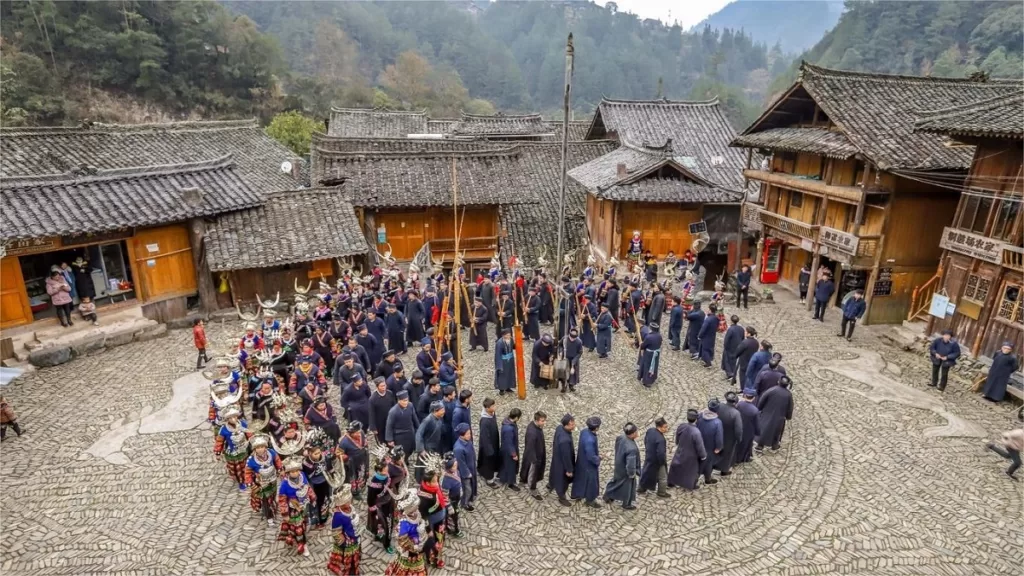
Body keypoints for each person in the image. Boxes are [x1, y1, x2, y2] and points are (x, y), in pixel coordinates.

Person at [387, 489, 433, 576]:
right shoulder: (404, 523)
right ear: (409, 509)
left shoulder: (417, 513)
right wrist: (416, 549)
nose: (417, 509)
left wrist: (427, 529)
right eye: (415, 508)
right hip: (411, 552)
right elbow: (403, 542)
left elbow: (422, 520)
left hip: (419, 545)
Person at [277, 457, 315, 557]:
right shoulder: (284, 485)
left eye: (297, 471)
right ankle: (303, 544)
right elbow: (282, 500)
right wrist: (285, 514)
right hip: (294, 510)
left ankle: (298, 538)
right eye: (292, 471)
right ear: (288, 473)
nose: (295, 473)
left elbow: (308, 488)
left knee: (304, 525)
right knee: (299, 529)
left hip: (305, 506)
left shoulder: (302, 476)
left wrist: (313, 498)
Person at [245, 435, 282, 525]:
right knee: (266, 500)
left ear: (265, 447)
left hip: (272, 480)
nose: (260, 449)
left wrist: (280, 469)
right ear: (254, 449)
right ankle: (269, 516)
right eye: (258, 447)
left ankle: (273, 509)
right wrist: (249, 482)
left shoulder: (271, 452)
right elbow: (247, 472)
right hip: (261, 484)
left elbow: (277, 461)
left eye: (262, 447)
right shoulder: (251, 460)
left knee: (272, 496)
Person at [602, 422, 640, 510]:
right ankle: (626, 504)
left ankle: (608, 495)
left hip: (619, 465)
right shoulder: (632, 448)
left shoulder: (621, 437)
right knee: (628, 487)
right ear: (633, 433)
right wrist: (632, 473)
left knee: (616, 482)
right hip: (626, 470)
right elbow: (630, 464)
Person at [667, 409, 707, 490]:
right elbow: (699, 446)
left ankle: (671, 481)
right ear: (696, 419)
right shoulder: (696, 432)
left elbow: (677, 439)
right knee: (691, 471)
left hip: (681, 450)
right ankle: (690, 484)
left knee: (676, 466)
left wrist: (678, 443)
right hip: (691, 455)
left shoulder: (682, 426)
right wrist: (703, 456)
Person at [327, 484, 361, 576]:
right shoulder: (338, 516)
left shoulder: (350, 508)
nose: (350, 501)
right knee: (347, 558)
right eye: (348, 500)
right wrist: (344, 544)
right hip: (347, 542)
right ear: (341, 503)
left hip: (354, 536)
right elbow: (336, 533)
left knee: (355, 554)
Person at [213, 407, 251, 490]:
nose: (233, 419)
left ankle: (248, 478)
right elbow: (219, 441)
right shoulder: (224, 429)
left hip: (243, 449)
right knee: (237, 469)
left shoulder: (243, 424)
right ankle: (241, 481)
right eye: (230, 418)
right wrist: (218, 452)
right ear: (227, 419)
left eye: (235, 416)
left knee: (245, 465)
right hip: (233, 452)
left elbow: (248, 433)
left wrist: (253, 440)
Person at [418, 470, 448, 569]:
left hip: (439, 518)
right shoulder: (424, 498)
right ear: (427, 483)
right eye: (434, 481)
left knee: (439, 538)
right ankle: (433, 560)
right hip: (431, 521)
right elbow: (423, 515)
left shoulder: (433, 487)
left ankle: (438, 556)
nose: (437, 483)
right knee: (431, 542)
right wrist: (428, 530)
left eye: (437, 480)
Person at [304, 440, 336, 530]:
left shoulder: (325, 457)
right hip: (315, 485)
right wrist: (315, 467)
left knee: (326, 498)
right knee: (317, 503)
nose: (318, 455)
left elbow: (330, 468)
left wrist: (333, 477)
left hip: (325, 482)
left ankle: (324, 516)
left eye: (319, 452)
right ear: (310, 453)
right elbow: (307, 475)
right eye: (315, 454)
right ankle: (318, 520)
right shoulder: (306, 463)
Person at [757, 376, 794, 451]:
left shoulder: (771, 390)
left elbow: (762, 400)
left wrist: (760, 408)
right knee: (777, 432)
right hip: (780, 416)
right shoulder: (788, 395)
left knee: (764, 429)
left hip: (767, 413)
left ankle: (760, 445)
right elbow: (790, 407)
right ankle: (774, 445)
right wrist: (788, 416)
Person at [571, 416, 602, 507]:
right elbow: (591, 456)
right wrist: (599, 458)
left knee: (580, 478)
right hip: (588, 465)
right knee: (592, 482)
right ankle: (590, 499)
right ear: (596, 428)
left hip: (581, 460)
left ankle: (577, 494)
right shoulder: (590, 440)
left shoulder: (584, 431)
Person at [367, 458, 395, 554]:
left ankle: (381, 536)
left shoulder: (386, 476)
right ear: (379, 470)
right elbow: (370, 499)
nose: (387, 469)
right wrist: (373, 510)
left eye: (386, 467)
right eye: (384, 468)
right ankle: (387, 544)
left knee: (388, 523)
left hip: (388, 502)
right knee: (386, 524)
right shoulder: (374, 483)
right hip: (380, 507)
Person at [548, 414, 576, 506]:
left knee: (554, 472)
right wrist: (569, 470)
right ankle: (561, 496)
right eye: (573, 424)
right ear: (568, 424)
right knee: (563, 481)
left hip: (556, 457)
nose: (574, 425)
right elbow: (566, 456)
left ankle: (551, 484)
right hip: (562, 463)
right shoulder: (565, 440)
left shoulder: (559, 428)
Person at [638, 417, 670, 498]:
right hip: (657, 461)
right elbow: (661, 453)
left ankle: (641, 488)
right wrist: (662, 462)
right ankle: (662, 492)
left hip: (649, 457)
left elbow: (645, 440)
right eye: (665, 427)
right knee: (663, 477)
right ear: (659, 427)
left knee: (646, 473)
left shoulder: (650, 431)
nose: (667, 429)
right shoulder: (661, 439)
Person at [414, 401, 447, 480]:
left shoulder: (439, 418)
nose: (444, 412)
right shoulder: (427, 420)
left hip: (435, 446)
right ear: (435, 411)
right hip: (427, 448)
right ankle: (420, 481)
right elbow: (419, 434)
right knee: (423, 466)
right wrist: (421, 449)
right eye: (442, 410)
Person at [696, 399, 723, 485]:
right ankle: (708, 479)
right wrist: (719, 447)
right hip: (710, 445)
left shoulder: (700, 415)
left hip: (699, 442)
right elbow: (719, 437)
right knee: (708, 462)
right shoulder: (717, 422)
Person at [520, 411, 547, 500]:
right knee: (533, 473)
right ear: (536, 420)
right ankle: (532, 489)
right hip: (534, 457)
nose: (544, 423)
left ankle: (523, 479)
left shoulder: (536, 427)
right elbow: (530, 447)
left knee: (527, 468)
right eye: (542, 421)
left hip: (536, 454)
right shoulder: (533, 432)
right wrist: (534, 460)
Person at [338, 422, 369, 500]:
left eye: (359, 431)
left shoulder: (361, 433)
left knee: (362, 473)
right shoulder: (344, 442)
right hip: (352, 463)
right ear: (350, 433)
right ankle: (354, 492)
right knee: (353, 477)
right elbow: (338, 453)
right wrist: (348, 459)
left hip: (362, 459)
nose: (359, 434)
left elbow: (365, 443)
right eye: (356, 433)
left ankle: (361, 486)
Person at [715, 392, 743, 476]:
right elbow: (738, 429)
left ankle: (713, 466)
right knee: (727, 454)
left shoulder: (719, 406)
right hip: (729, 437)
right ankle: (724, 470)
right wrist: (739, 439)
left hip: (717, 433)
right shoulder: (736, 413)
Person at [385, 390, 420, 458]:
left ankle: (406, 459)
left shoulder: (410, 405)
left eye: (407, 400)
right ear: (399, 401)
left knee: (411, 448)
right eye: (404, 401)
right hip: (400, 435)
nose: (406, 402)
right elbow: (389, 426)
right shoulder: (393, 411)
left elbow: (414, 418)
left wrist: (419, 429)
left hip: (410, 432)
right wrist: (389, 439)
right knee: (403, 451)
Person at [453, 423, 478, 511]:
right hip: (465, 473)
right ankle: (465, 503)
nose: (470, 435)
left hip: (471, 467)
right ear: (462, 435)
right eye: (468, 434)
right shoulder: (458, 448)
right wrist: (467, 473)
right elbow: (461, 463)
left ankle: (470, 498)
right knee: (467, 488)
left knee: (472, 485)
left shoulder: (468, 441)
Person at [477, 397, 501, 488]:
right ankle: (489, 479)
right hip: (488, 445)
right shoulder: (484, 421)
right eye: (493, 406)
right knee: (488, 462)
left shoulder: (492, 414)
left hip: (493, 441)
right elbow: (484, 437)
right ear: (487, 408)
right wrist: (489, 450)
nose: (495, 407)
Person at [498, 408, 522, 490]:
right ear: (516, 417)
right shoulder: (509, 429)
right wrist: (514, 454)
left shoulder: (507, 423)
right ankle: (510, 482)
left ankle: (503, 477)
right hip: (509, 450)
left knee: (505, 465)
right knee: (510, 466)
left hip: (505, 448)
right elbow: (509, 443)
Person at [441, 455, 464, 538]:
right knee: (452, 516)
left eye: (456, 464)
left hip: (457, 498)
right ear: (449, 467)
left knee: (455, 514)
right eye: (454, 465)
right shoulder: (446, 481)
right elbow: (444, 496)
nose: (456, 466)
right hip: (451, 501)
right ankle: (453, 529)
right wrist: (449, 507)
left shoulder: (456, 471)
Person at [734, 392, 761, 464]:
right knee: (746, 445)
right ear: (754, 398)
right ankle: (743, 458)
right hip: (749, 430)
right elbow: (756, 423)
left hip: (739, 426)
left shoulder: (739, 404)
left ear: (745, 396)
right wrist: (757, 432)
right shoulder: (755, 410)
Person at [369, 378, 396, 444]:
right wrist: (373, 427)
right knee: (382, 438)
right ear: (377, 387)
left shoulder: (390, 393)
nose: (384, 387)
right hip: (380, 422)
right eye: (381, 386)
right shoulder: (373, 399)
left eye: (384, 385)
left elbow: (394, 405)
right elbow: (371, 414)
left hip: (390, 418)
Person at [637, 322, 662, 388]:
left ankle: (647, 381)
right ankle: (652, 378)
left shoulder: (649, 337)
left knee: (647, 366)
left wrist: (641, 344)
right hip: (656, 354)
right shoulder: (659, 336)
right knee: (654, 366)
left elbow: (643, 346)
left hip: (649, 354)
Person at [720, 315, 744, 382]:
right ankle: (732, 372)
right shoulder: (741, 328)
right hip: (738, 347)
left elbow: (726, 340)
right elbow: (742, 338)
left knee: (727, 360)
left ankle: (730, 374)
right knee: (734, 361)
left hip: (730, 347)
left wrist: (725, 346)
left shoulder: (730, 329)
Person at [494, 330, 517, 395]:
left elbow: (513, 347)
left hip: (510, 360)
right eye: (507, 335)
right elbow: (498, 355)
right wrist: (499, 366)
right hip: (503, 361)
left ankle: (508, 387)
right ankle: (501, 389)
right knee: (502, 375)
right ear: (503, 335)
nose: (509, 336)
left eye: (509, 335)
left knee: (510, 374)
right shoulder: (499, 343)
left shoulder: (511, 340)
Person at [697, 303, 720, 368]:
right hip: (712, 335)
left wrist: (700, 335)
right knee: (710, 348)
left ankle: (708, 363)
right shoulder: (716, 318)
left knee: (705, 350)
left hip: (706, 336)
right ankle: (709, 359)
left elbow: (703, 328)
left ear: (710, 310)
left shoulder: (708, 319)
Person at [562, 328, 583, 393]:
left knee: (573, 373)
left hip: (574, 358)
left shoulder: (579, 342)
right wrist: (560, 352)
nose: (572, 339)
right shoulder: (565, 339)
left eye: (574, 338)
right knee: (564, 372)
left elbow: (580, 352)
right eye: (571, 338)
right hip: (566, 358)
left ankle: (571, 385)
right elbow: (560, 346)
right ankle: (564, 386)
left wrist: (573, 363)